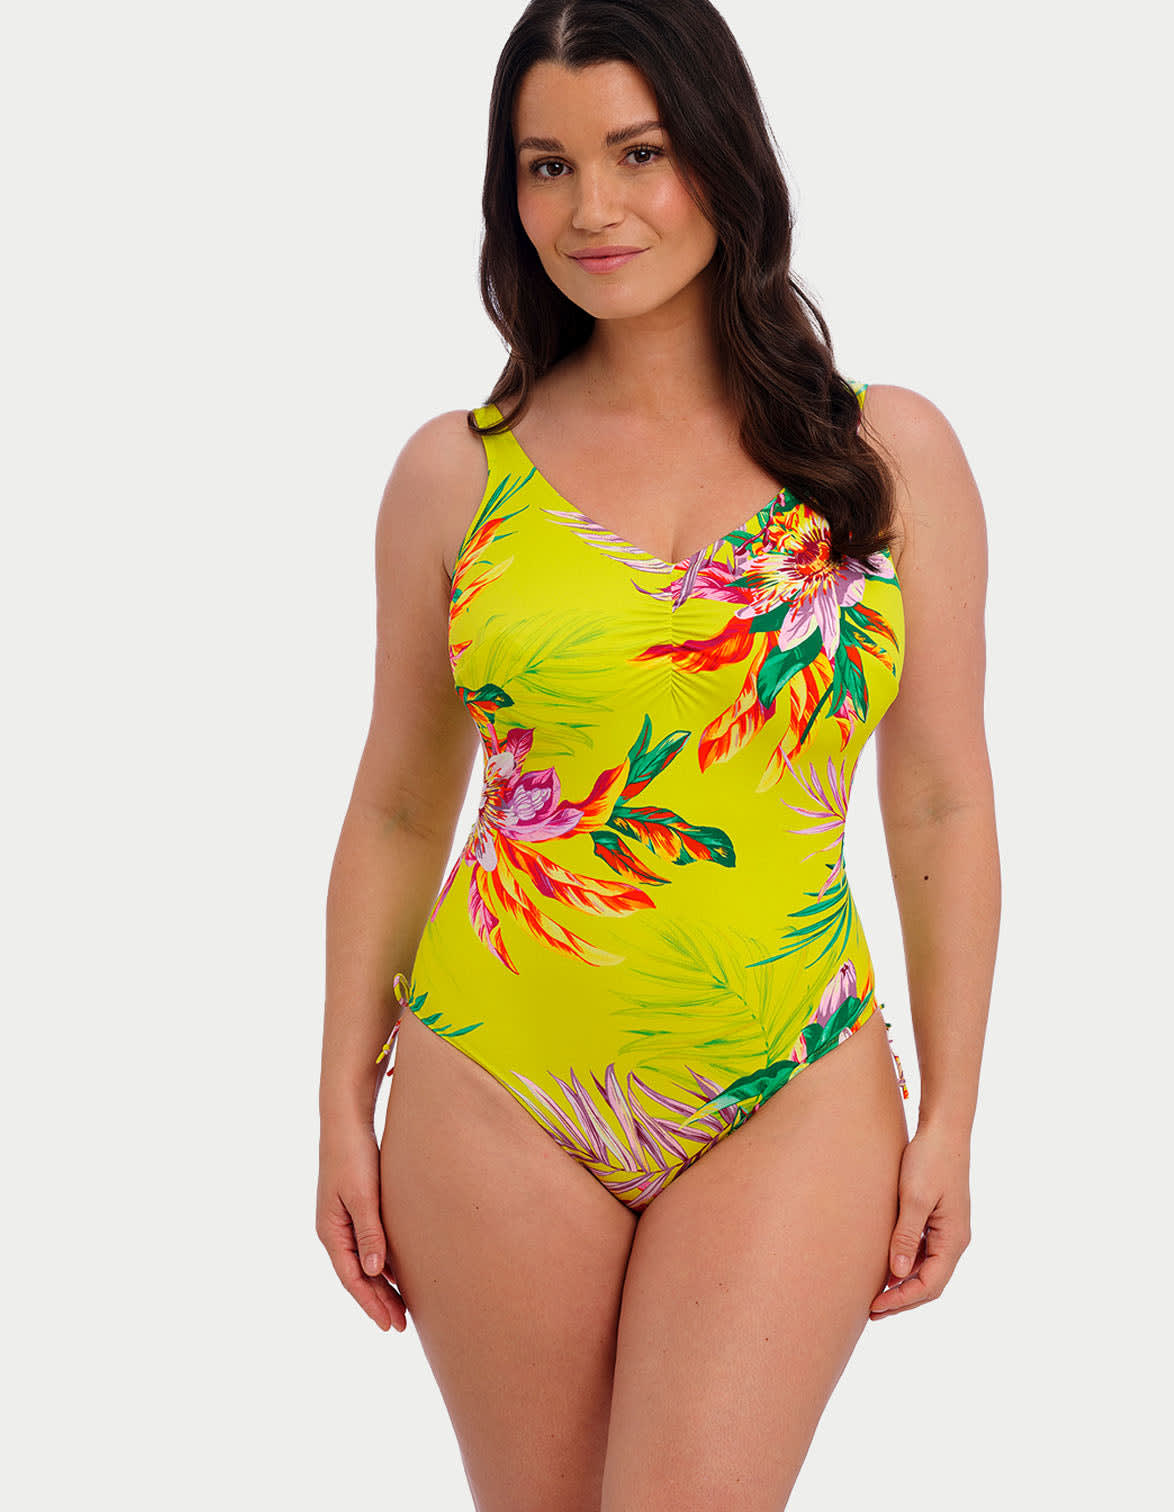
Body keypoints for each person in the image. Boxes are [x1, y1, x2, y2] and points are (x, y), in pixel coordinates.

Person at [316, 1, 999, 1505]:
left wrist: (953, 1111)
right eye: (546, 165)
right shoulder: (455, 474)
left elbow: (943, 791)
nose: (592, 209)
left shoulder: (888, 455)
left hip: (790, 1077)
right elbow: (399, 804)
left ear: (722, 153)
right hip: (495, 1076)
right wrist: (337, 1107)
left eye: (638, 152)